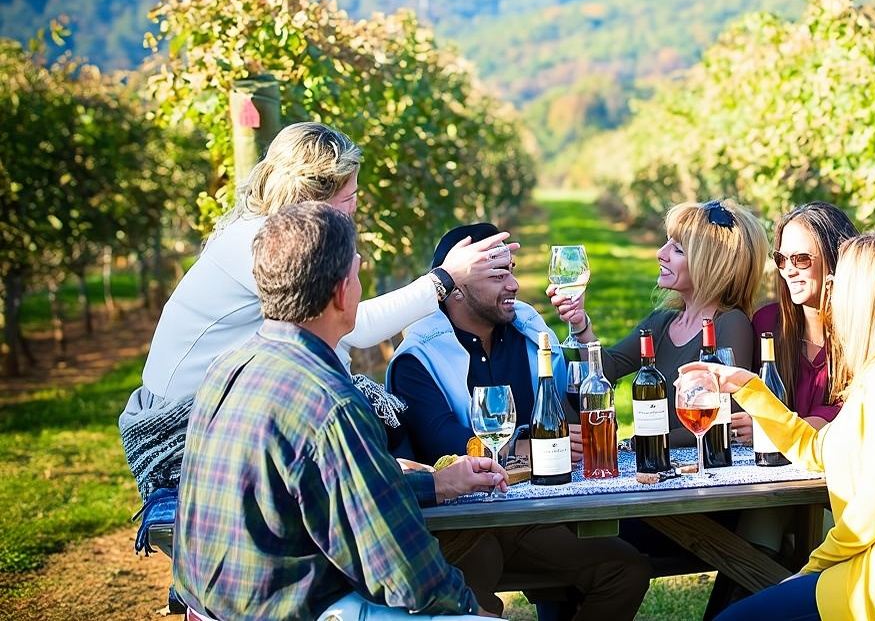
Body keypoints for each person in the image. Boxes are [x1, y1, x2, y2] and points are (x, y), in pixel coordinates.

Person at [119, 122, 514, 500]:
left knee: (378, 417)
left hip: (234, 399)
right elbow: (352, 326)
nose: (355, 209)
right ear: (311, 197)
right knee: (361, 420)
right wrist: (445, 279)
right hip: (185, 424)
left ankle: (425, 500)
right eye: (349, 199)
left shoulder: (271, 231)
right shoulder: (260, 243)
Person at [173, 201, 497, 620]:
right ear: (343, 293)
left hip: (213, 607)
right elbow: (403, 571)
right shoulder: (331, 403)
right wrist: (471, 608)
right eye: (358, 274)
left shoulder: (228, 369)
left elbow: (329, 495)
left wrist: (436, 484)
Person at [684, 232, 875, 621]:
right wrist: (748, 388)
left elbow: (873, 511)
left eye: (840, 284)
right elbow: (818, 451)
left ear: (869, 298)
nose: (833, 295)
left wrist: (810, 569)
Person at [388, 222, 652, 621]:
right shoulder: (418, 356)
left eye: (511, 269)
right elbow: (442, 439)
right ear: (454, 287)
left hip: (532, 513)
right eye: (499, 274)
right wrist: (528, 446)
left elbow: (577, 395)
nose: (513, 283)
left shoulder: (526, 328)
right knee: (478, 600)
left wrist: (580, 328)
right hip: (462, 523)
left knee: (625, 570)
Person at [547, 199, 768, 447]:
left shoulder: (731, 324)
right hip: (663, 465)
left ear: (711, 265)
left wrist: (639, 442)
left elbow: (725, 421)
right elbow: (606, 371)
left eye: (678, 250)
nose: (660, 253)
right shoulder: (663, 322)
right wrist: (580, 325)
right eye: (667, 243)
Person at [733, 201, 858, 445]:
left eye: (801, 259)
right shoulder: (767, 325)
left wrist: (776, 427)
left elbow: (858, 412)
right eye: (782, 259)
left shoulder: (864, 331)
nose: (789, 270)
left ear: (836, 258)